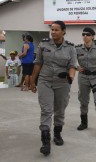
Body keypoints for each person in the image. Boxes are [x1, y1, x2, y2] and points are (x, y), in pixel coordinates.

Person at [30, 20, 76, 156]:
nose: (53, 32)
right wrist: (32, 81)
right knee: (46, 109)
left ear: (63, 31)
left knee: (60, 110)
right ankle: (45, 141)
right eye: (52, 29)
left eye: (56, 30)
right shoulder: (43, 45)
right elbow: (38, 64)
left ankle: (57, 134)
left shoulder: (70, 48)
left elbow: (73, 66)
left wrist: (70, 77)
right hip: (45, 81)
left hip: (63, 82)